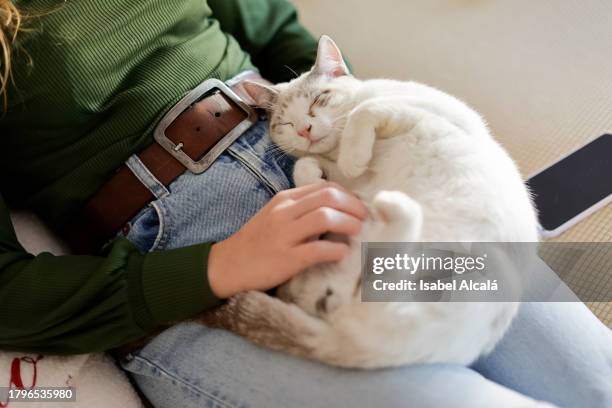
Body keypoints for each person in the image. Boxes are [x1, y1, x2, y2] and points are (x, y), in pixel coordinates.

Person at [0, 1, 610, 407]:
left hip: (356, 182)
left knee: (596, 378)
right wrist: (221, 267)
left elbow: (279, 37)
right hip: (190, 265)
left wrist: (371, 133)